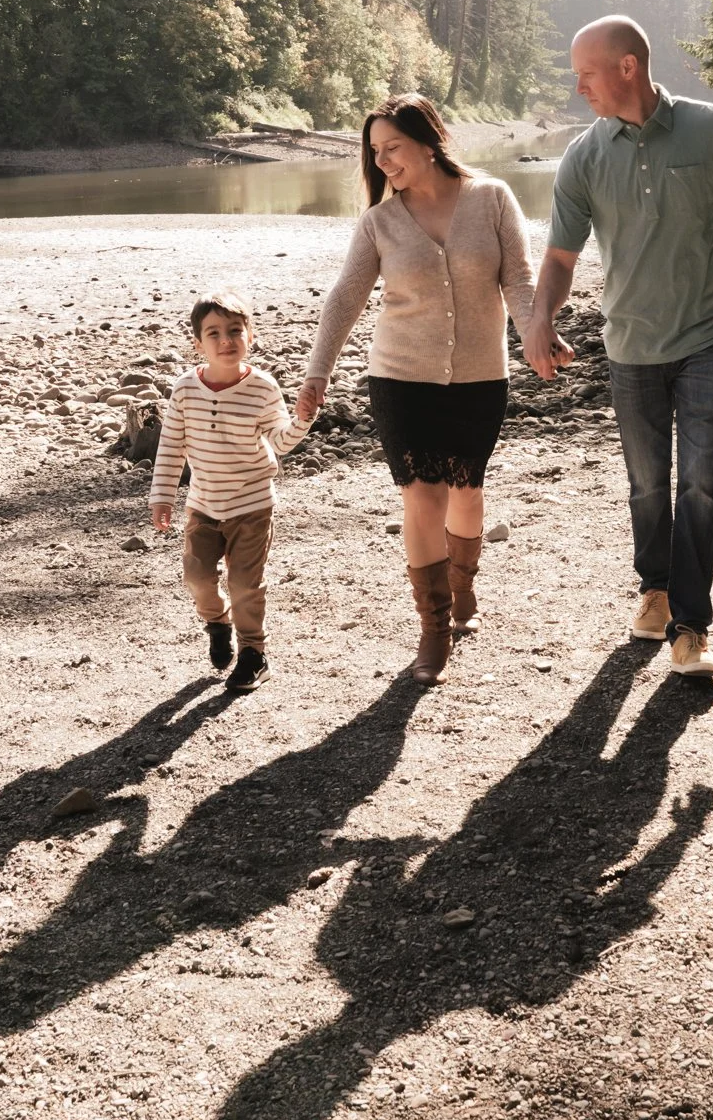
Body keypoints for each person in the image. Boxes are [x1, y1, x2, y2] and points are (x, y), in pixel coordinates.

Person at [522, 16, 713, 680]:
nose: (578, 85)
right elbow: (559, 256)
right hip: (631, 342)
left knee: (697, 477)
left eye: (586, 72)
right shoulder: (585, 155)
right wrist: (538, 319)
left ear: (628, 67)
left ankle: (691, 628)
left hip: (709, 334)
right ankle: (656, 589)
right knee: (647, 484)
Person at [301, 94, 535, 685]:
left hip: (481, 378)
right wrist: (317, 374)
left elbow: (520, 283)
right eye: (375, 152)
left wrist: (538, 335)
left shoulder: (493, 199)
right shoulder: (380, 221)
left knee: (467, 492)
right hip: (401, 379)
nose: (382, 161)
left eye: (393, 148)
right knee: (423, 497)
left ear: (429, 142)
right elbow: (345, 299)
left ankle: (461, 588)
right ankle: (433, 629)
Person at [149, 290, 312, 694]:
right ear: (198, 343)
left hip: (252, 505)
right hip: (203, 505)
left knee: (245, 583)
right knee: (198, 577)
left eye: (235, 331)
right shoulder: (185, 389)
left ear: (250, 336)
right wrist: (162, 497)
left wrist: (303, 420)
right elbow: (171, 445)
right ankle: (217, 622)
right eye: (214, 333)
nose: (226, 341)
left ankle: (254, 654)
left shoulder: (262, 388)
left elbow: (280, 440)